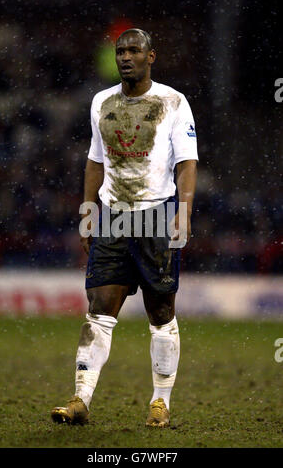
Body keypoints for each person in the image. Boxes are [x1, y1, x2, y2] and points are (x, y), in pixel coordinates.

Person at [51, 28, 198, 428]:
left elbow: (186, 162)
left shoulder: (173, 102)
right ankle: (80, 399)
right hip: (113, 215)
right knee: (98, 311)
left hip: (156, 215)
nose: (125, 57)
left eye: (134, 50)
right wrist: (87, 209)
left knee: (161, 312)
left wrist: (183, 211)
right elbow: (95, 160)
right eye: (121, 51)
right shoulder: (101, 102)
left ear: (151, 56)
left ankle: (160, 402)